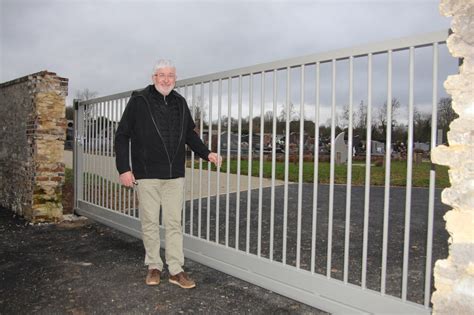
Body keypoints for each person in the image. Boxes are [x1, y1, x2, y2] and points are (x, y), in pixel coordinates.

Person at [115, 59, 221, 289]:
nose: (166, 79)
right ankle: (154, 266)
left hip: (175, 176)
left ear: (175, 78)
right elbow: (122, 135)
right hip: (147, 174)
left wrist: (207, 153)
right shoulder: (139, 101)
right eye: (161, 75)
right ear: (153, 78)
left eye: (170, 75)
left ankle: (176, 270)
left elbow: (189, 136)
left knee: (174, 223)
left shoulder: (180, 103)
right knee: (150, 222)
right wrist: (124, 168)